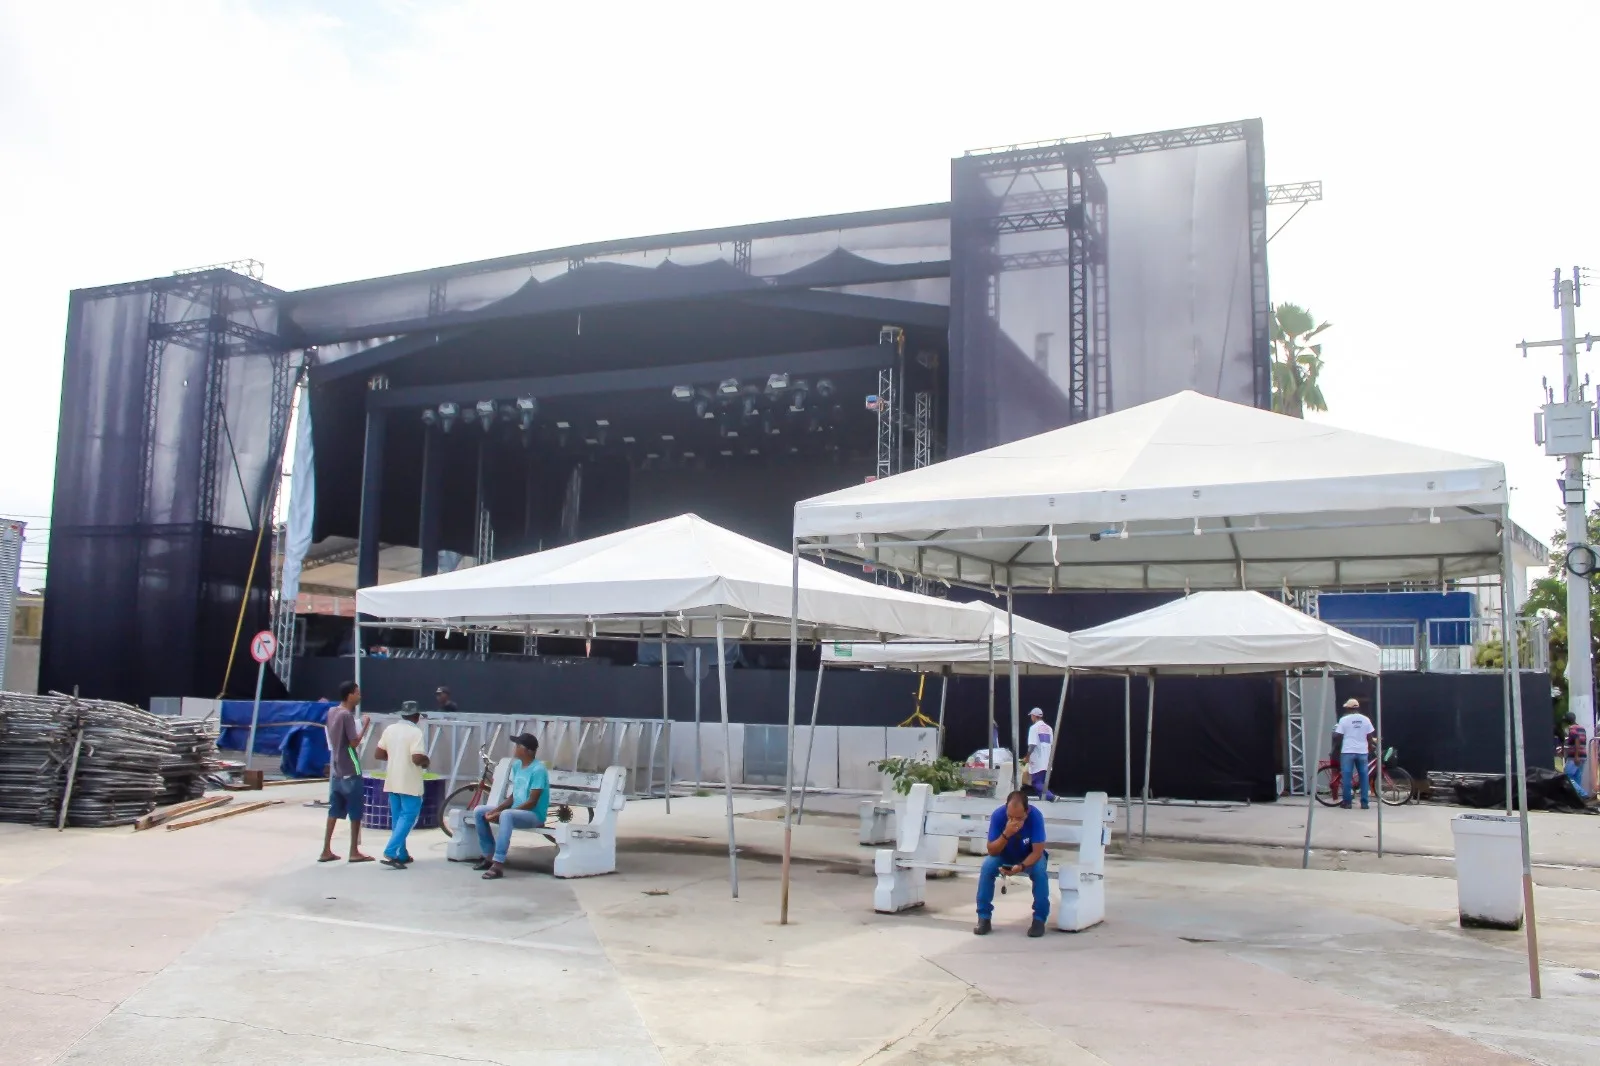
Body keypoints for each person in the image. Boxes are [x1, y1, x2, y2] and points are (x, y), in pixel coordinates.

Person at [472, 733, 550, 880]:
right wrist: (495, 811)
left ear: (528, 751)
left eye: (518, 746)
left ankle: (498, 864)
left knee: (506, 815)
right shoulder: (517, 766)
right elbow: (514, 796)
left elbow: (532, 801)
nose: (515, 748)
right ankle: (488, 856)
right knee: (479, 811)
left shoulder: (538, 770)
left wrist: (503, 813)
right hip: (517, 811)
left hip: (534, 815)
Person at [974, 790, 1049, 938]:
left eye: (1019, 818)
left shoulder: (1035, 817)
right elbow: (992, 850)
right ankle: (984, 917)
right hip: (1004, 855)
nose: (1014, 821)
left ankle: (1039, 919)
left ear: (1027, 811)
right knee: (987, 867)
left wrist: (1021, 867)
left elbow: (1037, 851)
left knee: (1040, 872)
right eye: (1010, 817)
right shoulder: (998, 816)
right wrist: (1006, 834)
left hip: (1029, 856)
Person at [318, 681, 373, 864]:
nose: (359, 696)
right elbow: (353, 743)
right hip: (351, 767)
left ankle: (326, 849)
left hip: (336, 769)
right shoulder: (347, 716)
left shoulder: (332, 712)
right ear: (350, 695)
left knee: (334, 810)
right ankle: (354, 851)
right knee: (356, 812)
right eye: (357, 693)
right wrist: (365, 725)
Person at [375, 701, 429, 868]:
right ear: (416, 716)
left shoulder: (390, 730)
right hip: (410, 783)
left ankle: (402, 854)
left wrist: (396, 757)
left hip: (392, 780)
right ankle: (391, 851)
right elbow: (417, 758)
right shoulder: (415, 732)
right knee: (409, 817)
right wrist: (426, 761)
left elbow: (378, 754)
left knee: (398, 819)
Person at [1333, 697, 1375, 810]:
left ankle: (1347, 803)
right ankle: (1364, 803)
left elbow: (1338, 736)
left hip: (1347, 751)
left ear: (1348, 708)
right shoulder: (1365, 719)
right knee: (1364, 777)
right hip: (1362, 751)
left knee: (1347, 777)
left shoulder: (1344, 720)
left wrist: (1335, 739)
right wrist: (1370, 748)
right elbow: (1369, 736)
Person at [1025, 707, 1056, 801]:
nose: (1031, 718)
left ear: (1034, 716)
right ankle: (1043, 800)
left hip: (1038, 760)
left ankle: (1051, 797)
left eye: (1031, 716)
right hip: (1047, 759)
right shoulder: (1049, 728)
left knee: (1035, 782)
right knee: (1041, 782)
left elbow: (1032, 744)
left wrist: (1027, 756)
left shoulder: (1034, 728)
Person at [1561, 712, 1589, 798]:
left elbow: (1577, 740)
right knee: (1577, 778)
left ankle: (1583, 794)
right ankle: (1578, 799)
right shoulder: (1582, 728)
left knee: (1567, 776)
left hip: (1574, 757)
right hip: (1583, 756)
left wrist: (1576, 756)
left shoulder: (1572, 729)